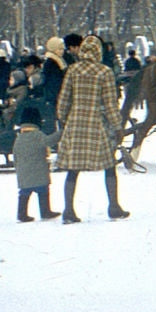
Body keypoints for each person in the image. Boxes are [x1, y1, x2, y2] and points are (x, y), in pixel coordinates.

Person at [56, 34, 128, 223]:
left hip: (75, 124)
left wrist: (64, 119)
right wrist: (117, 126)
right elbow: (110, 103)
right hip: (96, 126)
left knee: (73, 169)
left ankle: (69, 210)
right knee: (109, 166)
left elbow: (63, 100)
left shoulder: (72, 70)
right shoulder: (104, 72)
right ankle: (114, 206)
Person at [13, 105, 62, 222]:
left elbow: (15, 155)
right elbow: (49, 141)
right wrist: (61, 133)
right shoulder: (37, 135)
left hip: (23, 172)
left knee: (24, 193)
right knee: (43, 191)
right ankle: (45, 211)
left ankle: (22, 214)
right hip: (39, 170)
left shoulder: (19, 138)